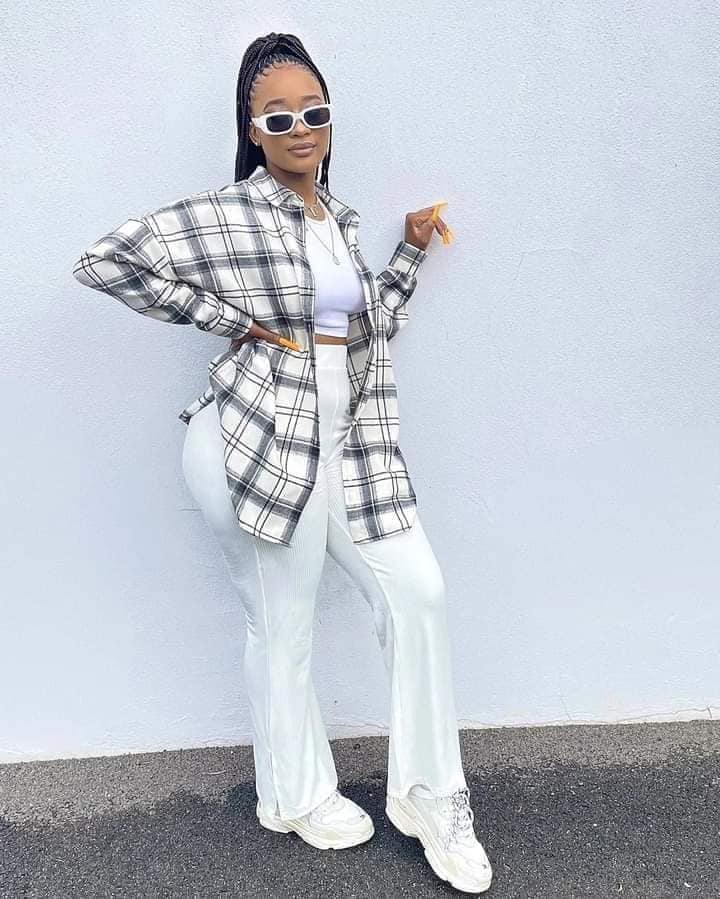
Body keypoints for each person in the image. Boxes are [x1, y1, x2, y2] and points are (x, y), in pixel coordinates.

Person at [72, 31, 492, 895]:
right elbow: (105, 260)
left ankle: (431, 796)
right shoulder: (234, 213)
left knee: (418, 592)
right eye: (279, 117)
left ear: (330, 121)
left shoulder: (336, 220)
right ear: (252, 128)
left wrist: (409, 251)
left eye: (314, 112)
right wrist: (226, 318)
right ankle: (294, 795)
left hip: (345, 447)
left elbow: (361, 328)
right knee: (282, 620)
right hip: (252, 439)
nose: (300, 128)